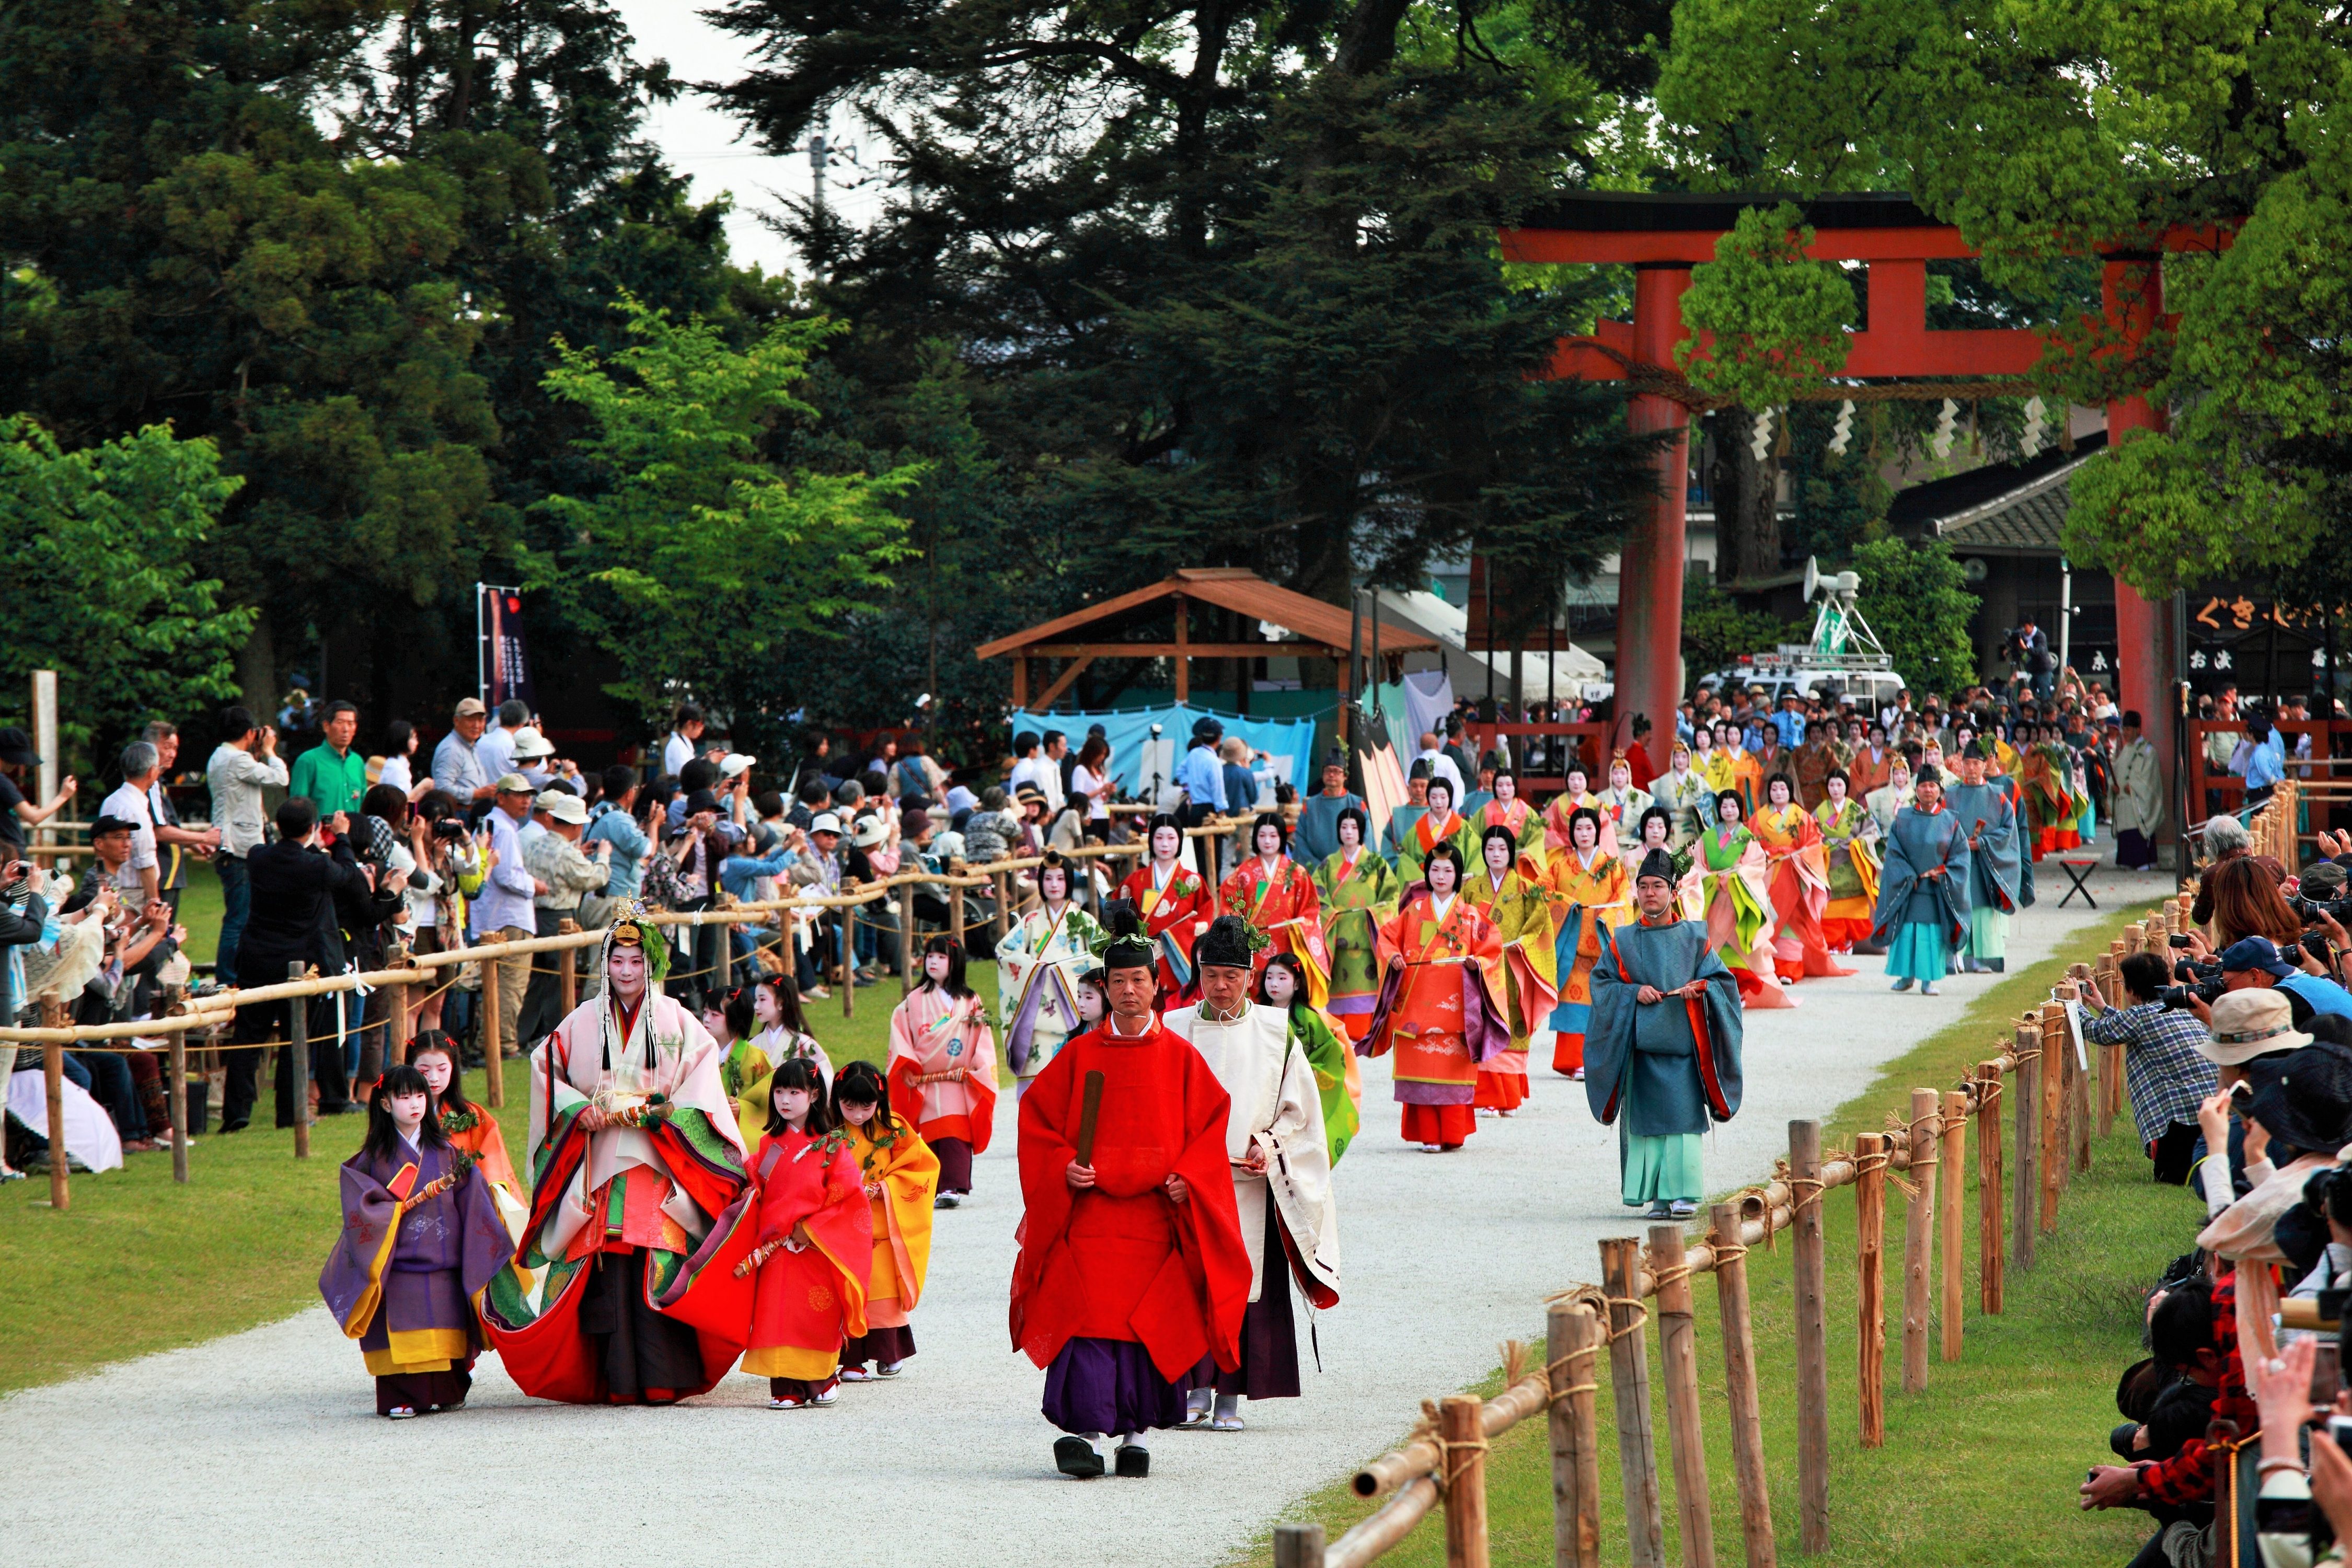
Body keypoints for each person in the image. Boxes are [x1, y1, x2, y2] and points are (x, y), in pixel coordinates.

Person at [1009, 908, 1250, 1479]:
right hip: (1091, 1215)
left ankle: (1136, 1438)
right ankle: (1083, 1436)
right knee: (1086, 1319)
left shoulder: (1181, 1059)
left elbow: (1210, 1124)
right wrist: (1065, 1165)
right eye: (1117, 981)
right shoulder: (1079, 1055)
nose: (1129, 991)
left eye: (1139, 980)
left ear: (1156, 985)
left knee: (1148, 1324)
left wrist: (1187, 1176)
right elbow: (1037, 1120)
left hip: (1153, 1215)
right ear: (1104, 989)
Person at [482, 906, 749, 1405]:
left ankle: (662, 1375)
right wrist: (578, 1107)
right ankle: (611, 1379)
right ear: (605, 966)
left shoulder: (680, 1023)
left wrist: (665, 1115)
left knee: (657, 1252)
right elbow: (546, 1069)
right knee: (602, 1259)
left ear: (652, 966)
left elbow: (702, 1087)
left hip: (658, 1159)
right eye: (618, 962)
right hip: (599, 1158)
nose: (626, 972)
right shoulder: (581, 1021)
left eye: (635, 962)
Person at [1165, 916, 1340, 1433]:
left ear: (1250, 975)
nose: (1222, 986)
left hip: (1248, 1182)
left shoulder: (1274, 1030)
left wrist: (1268, 1144)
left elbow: (1301, 1113)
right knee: (1190, 1285)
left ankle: (1230, 1398)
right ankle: (1192, 1389)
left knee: (1244, 1287)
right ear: (1198, 973)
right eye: (1212, 975)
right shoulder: (1174, 1028)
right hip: (1189, 1184)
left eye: (1233, 976)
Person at [317, 1065, 512, 1418]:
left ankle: (449, 1391)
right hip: (398, 1270)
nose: (415, 1104)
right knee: (401, 1340)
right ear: (386, 1104)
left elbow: (474, 1205)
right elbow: (361, 1207)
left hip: (444, 1265)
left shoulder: (449, 1154)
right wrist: (387, 1215)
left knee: (445, 1331)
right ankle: (402, 1397)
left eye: (420, 1095)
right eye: (404, 1097)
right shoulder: (371, 1161)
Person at [1583, 849, 1745, 1220]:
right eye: (1643, 886)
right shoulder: (1621, 941)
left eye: (1658, 886)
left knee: (1684, 1122)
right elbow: (1602, 984)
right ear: (1636, 893)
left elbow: (1724, 983)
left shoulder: (1694, 937)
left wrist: (1701, 987)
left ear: (1674, 893)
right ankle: (1657, 1196)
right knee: (1648, 1126)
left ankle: (1684, 1194)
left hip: (1683, 1047)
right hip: (1642, 1050)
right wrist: (1631, 992)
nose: (1650, 893)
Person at [222, 797, 397, 1131]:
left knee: (249, 1037)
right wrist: (342, 837)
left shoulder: (259, 857)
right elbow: (347, 874)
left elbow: (292, 855)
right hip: (299, 965)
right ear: (314, 828)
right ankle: (288, 1113)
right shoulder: (316, 866)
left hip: (257, 959)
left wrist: (313, 845)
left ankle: (236, 1114)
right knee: (294, 1039)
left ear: (276, 826)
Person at [737, 1057, 869, 1409]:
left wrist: (811, 1229)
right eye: (779, 1090)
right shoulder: (770, 1145)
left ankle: (821, 1377)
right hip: (778, 1249)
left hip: (817, 1246)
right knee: (778, 1315)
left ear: (813, 1095)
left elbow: (849, 1196)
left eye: (794, 1091)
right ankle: (785, 1386)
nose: (784, 1099)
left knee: (815, 1315)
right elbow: (759, 1186)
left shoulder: (831, 1145)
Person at [1361, 842, 1508, 1152]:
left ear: (1458, 876)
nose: (1441, 876)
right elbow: (1387, 939)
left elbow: (1492, 947)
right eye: (1435, 869)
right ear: (1427, 872)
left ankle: (1453, 1135)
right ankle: (1428, 1134)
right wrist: (1394, 958)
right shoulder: (1412, 912)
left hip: (1455, 1010)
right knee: (1422, 1078)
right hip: (1416, 1007)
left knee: (1450, 1077)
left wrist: (1478, 963)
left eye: (1448, 870)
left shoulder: (1470, 915)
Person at [832, 1059, 939, 1381]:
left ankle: (889, 1352)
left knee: (882, 1293)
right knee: (848, 1291)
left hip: (881, 1223)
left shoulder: (894, 1129)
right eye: (849, 1105)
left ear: (879, 1101)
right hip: (843, 1225)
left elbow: (921, 1167)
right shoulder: (830, 1132)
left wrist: (885, 1189)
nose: (858, 1114)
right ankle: (850, 1360)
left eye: (867, 1106)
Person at [2077, 951, 2222, 1183]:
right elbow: (2132, 1026)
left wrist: (2075, 1006)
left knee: (2170, 1177)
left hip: (2181, 1128)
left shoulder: (2139, 1018)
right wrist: (2103, 1007)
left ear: (2131, 990)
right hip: (2215, 1120)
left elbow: (2098, 1031)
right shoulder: (2181, 1008)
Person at [885, 935, 998, 1209]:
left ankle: (952, 1186)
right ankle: (934, 1186)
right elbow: (900, 1034)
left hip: (958, 1078)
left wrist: (978, 1066)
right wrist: (907, 1068)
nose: (933, 962)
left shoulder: (970, 1001)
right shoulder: (913, 1000)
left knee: (955, 1131)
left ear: (955, 962)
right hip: (925, 1080)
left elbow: (982, 1037)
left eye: (941, 957)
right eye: (930, 957)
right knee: (932, 1134)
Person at [1462, 823, 1556, 1116]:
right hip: (1482, 970)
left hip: (1514, 969)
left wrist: (1523, 944)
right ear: (1483, 852)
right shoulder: (1471, 888)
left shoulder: (1526, 889)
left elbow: (1540, 924)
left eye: (1502, 848)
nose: (1496, 854)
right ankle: (1489, 1097)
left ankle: (1510, 1098)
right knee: (1484, 1025)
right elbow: (1460, 923)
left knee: (1513, 1026)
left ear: (1511, 852)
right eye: (1490, 848)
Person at [998, 851, 1106, 1092]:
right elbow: (1004, 952)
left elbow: (1101, 956)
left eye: (1060, 878)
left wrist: (1061, 971)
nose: (1054, 885)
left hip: (1076, 1015)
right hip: (1037, 1019)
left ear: (1069, 881)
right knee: (1037, 1093)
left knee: (1074, 1088)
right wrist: (1036, 971)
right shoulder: (1031, 921)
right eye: (1048, 879)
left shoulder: (1084, 921)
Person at [517, 788, 612, 1047]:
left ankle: (523, 1034)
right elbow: (594, 878)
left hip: (533, 915)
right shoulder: (568, 853)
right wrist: (604, 856)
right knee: (560, 979)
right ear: (577, 825)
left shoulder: (535, 844)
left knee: (536, 979)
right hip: (560, 918)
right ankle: (557, 1035)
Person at [1549, 806, 1634, 1077]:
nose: (1584, 833)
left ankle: (1600, 1059)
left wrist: (1605, 917)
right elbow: (1545, 895)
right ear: (1571, 833)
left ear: (1597, 832)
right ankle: (1573, 1061)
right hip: (1570, 947)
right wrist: (1567, 906)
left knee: (1601, 1000)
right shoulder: (1559, 867)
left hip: (1601, 944)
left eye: (1589, 828)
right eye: (1578, 829)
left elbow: (1624, 901)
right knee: (1572, 998)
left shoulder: (1612, 866)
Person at [206, 707, 287, 987]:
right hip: (240, 849)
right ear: (250, 733)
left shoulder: (220, 756)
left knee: (239, 916)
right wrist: (270, 751)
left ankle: (234, 976)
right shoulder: (237, 759)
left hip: (230, 845)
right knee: (239, 919)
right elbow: (280, 778)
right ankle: (228, 979)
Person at [1872, 765, 1969, 997]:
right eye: (1924, 786)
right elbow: (1894, 853)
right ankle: (1906, 977)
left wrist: (1943, 872)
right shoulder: (1903, 819)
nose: (1928, 790)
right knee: (1907, 933)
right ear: (1916, 790)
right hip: (1910, 887)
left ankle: (1928, 981)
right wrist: (1908, 875)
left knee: (1929, 936)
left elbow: (1961, 857)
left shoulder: (1951, 822)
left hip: (1936, 889)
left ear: (1940, 790)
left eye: (1933, 786)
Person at [1683, 791, 1786, 1008]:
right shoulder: (1708, 837)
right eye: (1725, 806)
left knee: (1739, 948)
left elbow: (1756, 865)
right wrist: (1713, 878)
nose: (1729, 811)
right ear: (1719, 810)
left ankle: (1739, 990)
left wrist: (1735, 877)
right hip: (1714, 898)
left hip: (1739, 901)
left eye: (1733, 806)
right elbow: (1697, 866)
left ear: (1740, 809)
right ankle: (1718, 991)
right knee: (1714, 947)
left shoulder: (1748, 838)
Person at [468, 774, 544, 1064]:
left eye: (529, 795)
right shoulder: (505, 829)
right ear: (501, 797)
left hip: (492, 916)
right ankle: (503, 1045)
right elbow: (506, 875)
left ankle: (485, 1043)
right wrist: (533, 885)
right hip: (511, 917)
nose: (526, 800)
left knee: (493, 984)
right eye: (518, 794)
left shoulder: (490, 824)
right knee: (511, 985)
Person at [1750, 774, 1854, 985]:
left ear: (1790, 792)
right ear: (1768, 793)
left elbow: (1814, 845)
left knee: (1793, 923)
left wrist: (1798, 855)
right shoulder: (1757, 818)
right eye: (1774, 789)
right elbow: (1751, 846)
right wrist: (1766, 856)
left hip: (1795, 875)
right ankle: (1767, 967)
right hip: (1768, 876)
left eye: (1783, 789)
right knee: (1771, 919)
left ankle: (1790, 969)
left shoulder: (1802, 816)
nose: (1778, 793)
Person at [1219, 812, 1331, 1004]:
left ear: (1282, 837)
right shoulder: (1243, 873)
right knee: (1254, 999)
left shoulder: (1297, 873)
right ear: (1255, 838)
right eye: (1262, 836)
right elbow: (1229, 906)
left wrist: (1300, 926)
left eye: (1273, 835)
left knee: (1286, 1000)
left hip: (1287, 947)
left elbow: (1310, 911)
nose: (1268, 841)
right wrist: (1240, 931)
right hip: (1252, 948)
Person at [1260, 951, 1360, 1165]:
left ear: (1297, 984)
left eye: (1282, 977)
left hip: (1299, 1090)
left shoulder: (1310, 1019)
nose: (1274, 983)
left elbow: (1331, 1055)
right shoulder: (1257, 1015)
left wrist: (1305, 1071)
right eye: (1269, 977)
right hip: (1264, 1089)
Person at [1314, 806, 1401, 1043]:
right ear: (1338, 831)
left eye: (1354, 827)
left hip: (1366, 943)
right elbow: (1317, 896)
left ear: (1362, 831)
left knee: (1363, 1002)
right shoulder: (1328, 865)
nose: (1349, 832)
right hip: (1337, 941)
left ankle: (1363, 1037)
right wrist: (1331, 914)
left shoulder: (1376, 863)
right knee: (1336, 1002)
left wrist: (1373, 914)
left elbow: (1391, 898)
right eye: (1344, 827)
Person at [406, 1030, 521, 1206]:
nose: (434, 1078)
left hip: (464, 1203)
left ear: (453, 1067)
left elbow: (492, 1161)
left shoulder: (471, 1115)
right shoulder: (398, 1115)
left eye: (442, 1069)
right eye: (424, 1071)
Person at [1113, 813, 1212, 1009]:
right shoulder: (1135, 880)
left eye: (1171, 838)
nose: (1165, 844)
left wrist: (1173, 936)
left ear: (1180, 841)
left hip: (1180, 957)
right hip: (1143, 956)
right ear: (1151, 841)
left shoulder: (1193, 881)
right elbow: (1118, 915)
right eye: (1159, 838)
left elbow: (1204, 919)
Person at [1943, 743, 2023, 974]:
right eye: (1967, 763)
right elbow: (1941, 826)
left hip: (1987, 863)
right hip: (1959, 861)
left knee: (1984, 909)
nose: (1971, 768)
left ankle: (1984, 958)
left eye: (1976, 763)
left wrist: (1982, 843)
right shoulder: (1951, 795)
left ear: (1985, 765)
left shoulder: (1997, 796)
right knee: (1959, 903)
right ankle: (1957, 956)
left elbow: (2009, 829)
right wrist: (1958, 844)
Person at [1813, 769, 1881, 953]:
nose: (1835, 789)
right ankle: (1834, 942)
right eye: (1832, 785)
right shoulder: (1820, 811)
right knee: (1831, 906)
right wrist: (1823, 844)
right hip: (1829, 865)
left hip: (1851, 864)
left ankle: (1849, 941)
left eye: (1839, 785)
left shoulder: (1856, 810)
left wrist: (1858, 843)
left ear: (1846, 787)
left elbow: (1872, 831)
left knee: (1853, 907)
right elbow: (1811, 834)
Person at [97, 741, 163, 908]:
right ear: (152, 772)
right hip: (133, 895)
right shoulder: (136, 812)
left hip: (110, 889)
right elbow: (146, 865)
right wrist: (154, 906)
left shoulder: (110, 801)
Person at [0, 725, 76, 861]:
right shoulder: (3, 783)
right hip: (10, 857)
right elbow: (34, 818)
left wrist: (20, 815)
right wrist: (63, 796)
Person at [289, 700, 367, 821]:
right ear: (326, 726)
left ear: (355, 728)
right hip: (320, 836)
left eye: (351, 723)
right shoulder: (308, 760)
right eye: (340, 723)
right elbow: (297, 807)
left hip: (352, 836)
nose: (346, 729)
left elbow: (362, 802)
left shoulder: (357, 762)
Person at [2112, 711, 2164, 870]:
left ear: (2138, 729)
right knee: (2126, 833)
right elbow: (2117, 771)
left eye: (2128, 729)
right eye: (2124, 729)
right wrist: (2113, 786)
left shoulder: (2149, 751)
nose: (2125, 733)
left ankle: (2144, 862)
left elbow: (2150, 779)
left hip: (2138, 801)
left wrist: (2133, 786)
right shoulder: (2126, 750)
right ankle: (2126, 862)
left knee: (2138, 831)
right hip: (2124, 799)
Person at [1293, 752, 1366, 866]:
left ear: (1345, 776)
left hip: (1351, 871)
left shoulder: (1358, 805)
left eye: (1336, 771)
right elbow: (1301, 842)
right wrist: (1320, 868)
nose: (1331, 775)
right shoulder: (1310, 806)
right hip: (1316, 872)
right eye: (1328, 771)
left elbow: (1367, 841)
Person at [1396, 776, 1470, 884]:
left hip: (1457, 885)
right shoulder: (1417, 829)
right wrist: (1421, 878)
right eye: (1434, 797)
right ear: (1428, 798)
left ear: (1450, 797)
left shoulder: (1463, 827)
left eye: (1443, 797)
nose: (1438, 802)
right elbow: (1405, 858)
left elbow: (1476, 854)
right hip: (1424, 886)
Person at [431, 697, 497, 805]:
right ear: (456, 721)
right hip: (460, 814)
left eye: (480, 720)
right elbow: (442, 789)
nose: (476, 725)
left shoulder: (471, 745)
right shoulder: (451, 749)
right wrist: (477, 794)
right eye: (471, 719)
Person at [1650, 739, 1714, 850]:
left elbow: (1709, 805)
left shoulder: (1699, 782)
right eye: (1677, 757)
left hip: (1692, 828)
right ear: (1672, 759)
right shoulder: (1662, 781)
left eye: (1684, 757)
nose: (1680, 761)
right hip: (1669, 830)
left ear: (1689, 759)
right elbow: (1654, 807)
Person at [662, 702, 706, 779]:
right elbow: (685, 774)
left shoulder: (683, 743)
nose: (702, 729)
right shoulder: (677, 745)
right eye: (700, 725)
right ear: (689, 724)